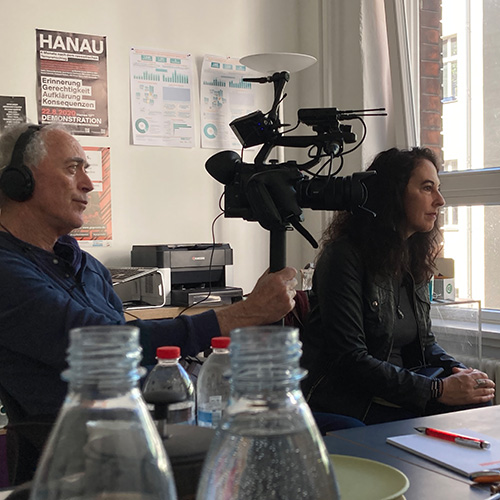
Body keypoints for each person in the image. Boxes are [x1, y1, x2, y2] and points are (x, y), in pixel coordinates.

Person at [0, 122, 297, 484]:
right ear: (20, 181)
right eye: (72, 168)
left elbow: (130, 351)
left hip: (138, 441)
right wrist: (242, 314)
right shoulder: (6, 270)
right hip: (75, 467)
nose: (88, 184)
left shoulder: (86, 266)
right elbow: (103, 343)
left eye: (86, 169)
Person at [301, 147, 495, 426]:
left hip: (399, 394)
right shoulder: (343, 256)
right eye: (427, 188)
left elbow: (425, 345)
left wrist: (462, 373)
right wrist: (437, 390)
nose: (440, 200)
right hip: (353, 400)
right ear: (393, 194)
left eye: (438, 189)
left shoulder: (413, 257)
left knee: (478, 398)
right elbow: (350, 358)